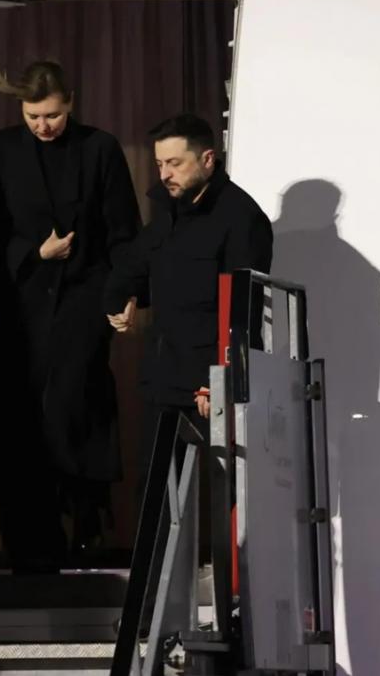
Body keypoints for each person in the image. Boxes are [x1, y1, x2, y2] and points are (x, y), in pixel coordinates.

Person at [0, 60, 142, 573]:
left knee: (73, 408)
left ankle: (85, 524)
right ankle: (28, 545)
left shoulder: (100, 148)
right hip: (17, 307)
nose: (43, 125)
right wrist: (32, 253)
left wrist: (126, 295)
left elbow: (123, 231)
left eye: (53, 115)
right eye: (33, 116)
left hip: (82, 302)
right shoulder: (0, 149)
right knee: (17, 419)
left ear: (71, 104)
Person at [102, 113, 274, 495]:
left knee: (226, 495)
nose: (165, 174)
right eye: (160, 164)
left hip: (208, 388)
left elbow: (243, 310)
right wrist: (123, 300)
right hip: (163, 378)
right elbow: (131, 267)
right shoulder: (168, 211)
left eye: (175, 163)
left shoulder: (241, 218)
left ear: (208, 159)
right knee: (157, 495)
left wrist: (220, 378)